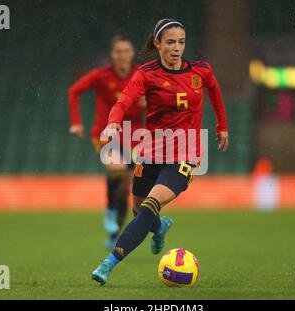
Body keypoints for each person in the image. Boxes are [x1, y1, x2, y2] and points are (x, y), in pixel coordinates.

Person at [92, 18, 229, 285]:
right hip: (152, 151)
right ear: (157, 44)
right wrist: (112, 123)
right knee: (137, 208)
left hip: (185, 156)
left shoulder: (201, 71)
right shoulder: (146, 73)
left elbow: (214, 89)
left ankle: (108, 264)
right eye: (170, 42)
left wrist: (222, 125)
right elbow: (125, 100)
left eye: (181, 42)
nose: (177, 48)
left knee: (149, 206)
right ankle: (159, 228)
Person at [68, 35, 145, 250]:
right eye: (118, 51)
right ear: (112, 54)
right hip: (106, 134)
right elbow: (73, 91)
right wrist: (76, 122)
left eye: (126, 51)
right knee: (117, 169)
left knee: (125, 188)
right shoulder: (101, 76)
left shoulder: (142, 75)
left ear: (132, 53)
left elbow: (160, 97)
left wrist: (151, 101)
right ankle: (109, 210)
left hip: (135, 135)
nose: (122, 55)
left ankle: (115, 232)